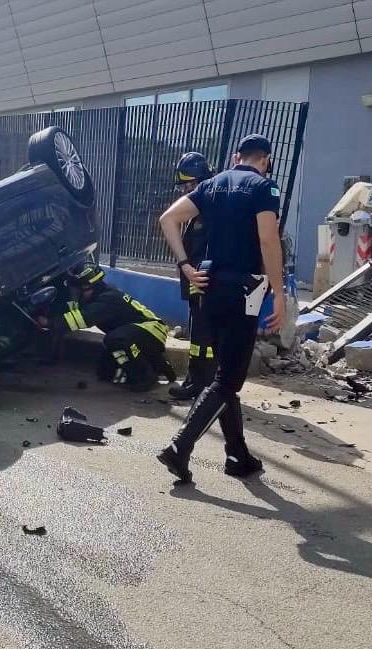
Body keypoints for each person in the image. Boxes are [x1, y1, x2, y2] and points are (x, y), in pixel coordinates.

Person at [155, 134, 287, 482]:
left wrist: (185, 265)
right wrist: (280, 292)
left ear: (235, 156)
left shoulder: (211, 185)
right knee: (228, 380)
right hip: (244, 289)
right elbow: (268, 239)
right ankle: (179, 447)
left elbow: (168, 219)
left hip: (209, 287)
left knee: (223, 375)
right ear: (266, 160)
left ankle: (237, 455)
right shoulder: (265, 188)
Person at [50, 262, 175, 392]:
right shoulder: (96, 296)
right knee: (104, 373)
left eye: (76, 289)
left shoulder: (107, 298)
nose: (74, 293)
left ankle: (145, 377)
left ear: (87, 286)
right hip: (138, 333)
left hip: (152, 328)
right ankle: (157, 364)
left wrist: (49, 323)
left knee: (115, 339)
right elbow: (72, 311)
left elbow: (82, 319)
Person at [168, 152, 215, 400]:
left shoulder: (208, 206)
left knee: (203, 333)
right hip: (196, 277)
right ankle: (198, 381)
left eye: (189, 184)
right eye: (183, 185)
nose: (186, 189)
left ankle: (200, 384)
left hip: (203, 278)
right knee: (198, 331)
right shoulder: (197, 206)